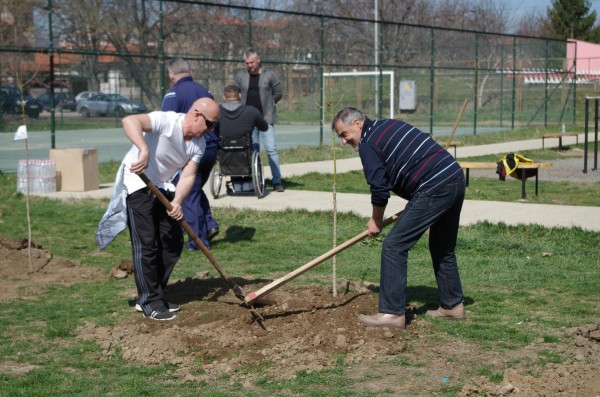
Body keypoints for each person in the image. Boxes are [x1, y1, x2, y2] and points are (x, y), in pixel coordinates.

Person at [331, 107, 467, 330]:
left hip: (434, 186)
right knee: (443, 247)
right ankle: (452, 306)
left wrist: (375, 220)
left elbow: (379, 188)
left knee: (394, 246)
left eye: (344, 134)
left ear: (357, 123)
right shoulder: (388, 125)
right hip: (453, 176)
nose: (344, 141)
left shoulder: (368, 144)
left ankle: (391, 314)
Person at [96, 98, 220, 321]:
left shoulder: (198, 144)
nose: (211, 130)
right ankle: (148, 301)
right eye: (210, 124)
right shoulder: (167, 121)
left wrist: (178, 202)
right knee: (146, 241)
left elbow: (189, 175)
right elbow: (129, 120)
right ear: (196, 115)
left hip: (162, 186)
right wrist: (143, 149)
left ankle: (157, 293)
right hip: (136, 180)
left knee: (172, 241)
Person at [162, 58, 220, 250]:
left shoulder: (173, 94)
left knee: (187, 193)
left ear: (171, 76)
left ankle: (198, 241)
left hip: (191, 148)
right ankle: (209, 224)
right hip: (211, 147)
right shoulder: (206, 92)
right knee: (193, 187)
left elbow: (167, 124)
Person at [234, 49, 285, 192]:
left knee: (271, 150)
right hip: (248, 120)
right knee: (252, 151)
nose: (249, 65)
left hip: (266, 119)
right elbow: (235, 93)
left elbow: (279, 93)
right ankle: (254, 181)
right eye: (247, 63)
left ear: (258, 60)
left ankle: (277, 182)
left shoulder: (269, 74)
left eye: (251, 62)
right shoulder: (241, 76)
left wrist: (270, 103)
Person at [218, 84, 269, 192]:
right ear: (240, 95)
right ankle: (248, 183)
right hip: (245, 150)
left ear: (224, 97)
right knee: (254, 145)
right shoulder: (251, 111)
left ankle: (236, 183)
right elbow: (264, 127)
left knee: (229, 148)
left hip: (225, 151)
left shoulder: (216, 111)